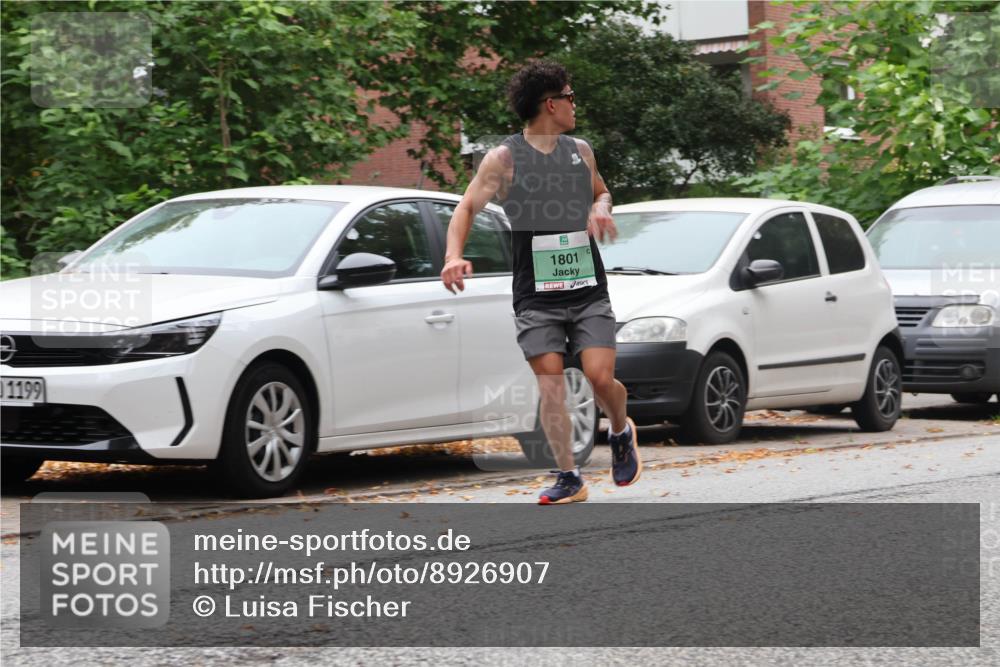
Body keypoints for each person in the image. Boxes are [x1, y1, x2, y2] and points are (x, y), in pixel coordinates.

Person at [440, 60, 641, 505]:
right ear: (551, 104)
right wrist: (453, 255)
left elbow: (601, 191)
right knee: (551, 383)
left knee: (599, 378)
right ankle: (568, 476)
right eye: (570, 97)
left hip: (587, 288)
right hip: (536, 294)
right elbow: (467, 208)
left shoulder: (581, 151)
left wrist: (600, 207)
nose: (575, 104)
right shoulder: (504, 159)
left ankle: (622, 429)